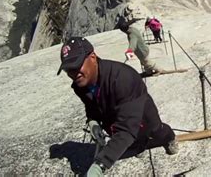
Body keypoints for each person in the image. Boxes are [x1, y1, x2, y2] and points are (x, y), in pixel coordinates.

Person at [57, 37, 178, 176]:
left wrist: (100, 165)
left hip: (142, 112)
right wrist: (93, 121)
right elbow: (91, 105)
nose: (74, 73)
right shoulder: (80, 85)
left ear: (93, 57)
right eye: (69, 69)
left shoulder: (122, 78)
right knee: (131, 142)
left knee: (156, 130)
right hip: (115, 119)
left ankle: (169, 137)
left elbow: (126, 130)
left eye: (77, 65)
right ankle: (139, 146)